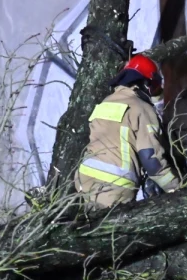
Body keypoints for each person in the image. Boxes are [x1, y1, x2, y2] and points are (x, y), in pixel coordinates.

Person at [74, 54, 178, 209]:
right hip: (114, 184)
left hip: (84, 177)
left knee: (90, 228)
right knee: (111, 231)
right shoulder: (141, 108)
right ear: (145, 83)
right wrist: (175, 188)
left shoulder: (106, 102)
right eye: (154, 87)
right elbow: (152, 160)